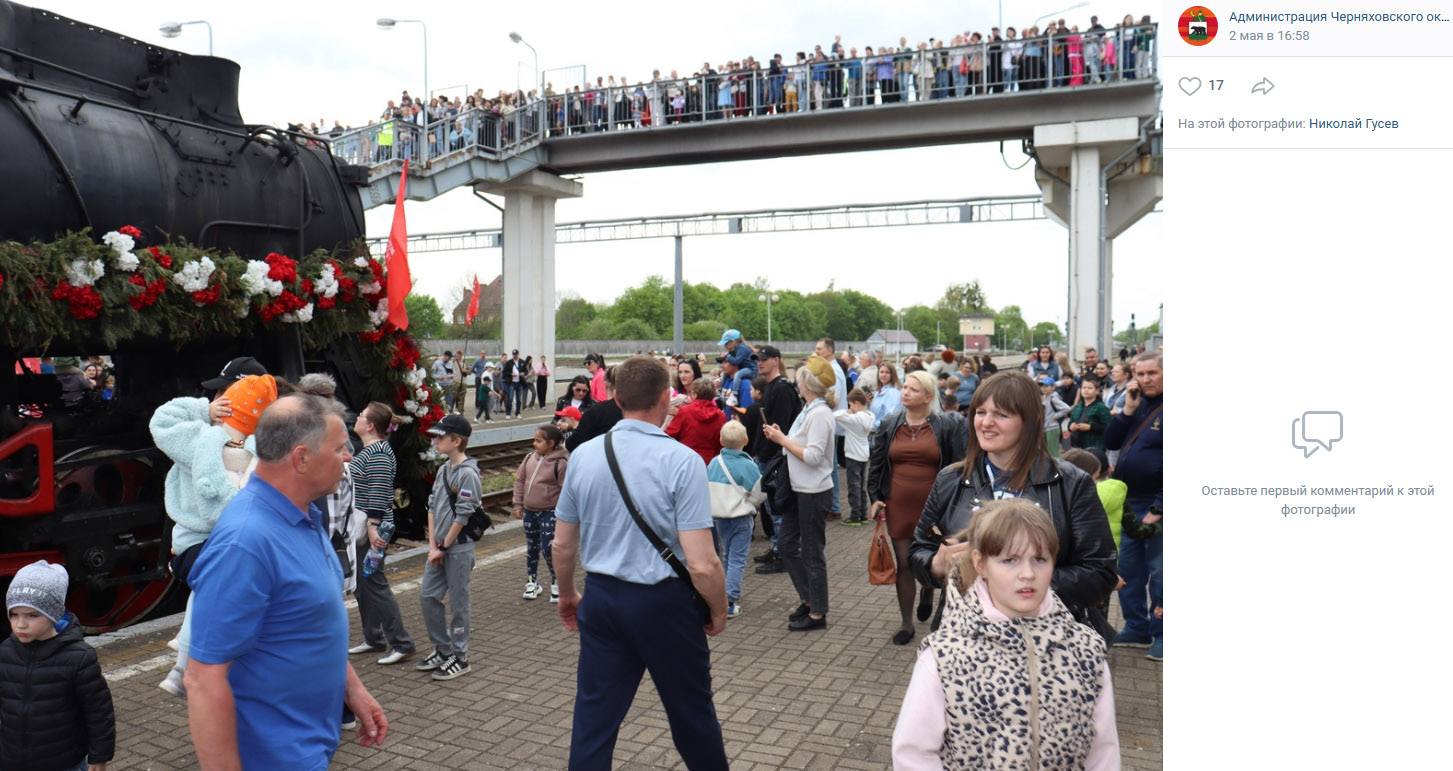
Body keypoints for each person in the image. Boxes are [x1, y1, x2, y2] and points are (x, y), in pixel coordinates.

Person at [186, 394, 387, 769]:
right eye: (340, 448)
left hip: (307, 745)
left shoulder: (302, 515)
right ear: (301, 458)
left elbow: (308, 621)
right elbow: (202, 679)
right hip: (272, 757)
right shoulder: (245, 544)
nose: (348, 458)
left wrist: (353, 690)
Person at [552, 355, 729, 770]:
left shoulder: (584, 455)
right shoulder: (682, 460)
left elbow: (562, 545)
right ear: (667, 398)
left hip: (601, 598)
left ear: (615, 397)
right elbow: (703, 564)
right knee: (691, 716)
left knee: (594, 720)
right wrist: (719, 608)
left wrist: (567, 594)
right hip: (663, 605)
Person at [891, 500, 1119, 769]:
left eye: (1040, 559)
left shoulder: (1086, 651)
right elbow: (913, 754)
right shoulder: (945, 657)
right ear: (981, 564)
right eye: (1009, 560)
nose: (1028, 574)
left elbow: (1103, 751)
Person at [908, 372, 1118, 642]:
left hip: (1045, 643)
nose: (986, 423)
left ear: (1031, 421)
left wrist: (1013, 582)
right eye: (980, 412)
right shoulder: (951, 478)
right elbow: (918, 552)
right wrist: (937, 564)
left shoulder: (1070, 483)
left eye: (1001, 414)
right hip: (964, 639)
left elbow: (1100, 572)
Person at [151, 373, 281, 698]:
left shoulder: (234, 446)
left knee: (229, 586)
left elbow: (163, 420)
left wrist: (202, 413)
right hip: (199, 540)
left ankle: (193, 658)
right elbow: (162, 420)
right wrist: (203, 411)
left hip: (216, 540)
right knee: (223, 578)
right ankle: (190, 660)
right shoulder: (231, 444)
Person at [868, 371, 968, 646]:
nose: (905, 392)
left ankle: (928, 590)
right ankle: (906, 623)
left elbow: (959, 466)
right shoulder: (889, 424)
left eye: (913, 389)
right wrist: (875, 497)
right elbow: (876, 466)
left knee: (931, 555)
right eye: (905, 388)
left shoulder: (945, 425)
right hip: (898, 504)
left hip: (934, 508)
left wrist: (956, 505)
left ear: (927, 396)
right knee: (904, 563)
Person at [1, 560, 115, 771]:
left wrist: (99, 756)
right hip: (12, 760)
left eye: (32, 615)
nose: (20, 624)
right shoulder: (6, 652)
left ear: (54, 614)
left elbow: (98, 711)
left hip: (63, 762)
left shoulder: (78, 658)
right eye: (14, 614)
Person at [761, 355, 837, 631]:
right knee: (788, 544)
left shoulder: (819, 413)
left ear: (806, 383)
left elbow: (814, 456)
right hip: (799, 489)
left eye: (800, 377)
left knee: (812, 552)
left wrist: (782, 440)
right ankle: (809, 599)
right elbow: (801, 446)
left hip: (813, 492)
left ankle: (818, 611)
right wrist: (783, 437)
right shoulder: (810, 410)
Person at [1103, 351, 1164, 661]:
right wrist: (1127, 410)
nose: (1144, 379)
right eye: (1139, 374)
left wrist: (1160, 508)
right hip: (1129, 503)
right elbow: (1111, 442)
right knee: (1128, 569)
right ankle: (1136, 627)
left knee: (1161, 570)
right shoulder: (1138, 406)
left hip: (1157, 505)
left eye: (1151, 373)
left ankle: (1162, 633)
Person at [347, 402, 415, 666]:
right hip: (363, 529)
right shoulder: (372, 450)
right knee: (363, 586)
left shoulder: (377, 454)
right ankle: (373, 638)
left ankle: (401, 643)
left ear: (370, 425)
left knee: (375, 584)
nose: (357, 417)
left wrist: (373, 527)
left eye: (361, 415)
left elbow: (378, 491)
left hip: (370, 530)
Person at [416, 414, 481, 681]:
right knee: (427, 596)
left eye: (440, 437)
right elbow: (432, 506)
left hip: (459, 549)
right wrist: (433, 546)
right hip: (440, 548)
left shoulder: (468, 474)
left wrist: (443, 546)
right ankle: (443, 650)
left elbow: (463, 516)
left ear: (457, 441)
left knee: (459, 603)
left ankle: (460, 656)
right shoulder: (444, 469)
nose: (435, 440)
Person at [751, 347, 803, 573]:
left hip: (776, 458)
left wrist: (768, 455)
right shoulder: (771, 387)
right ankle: (777, 548)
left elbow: (780, 427)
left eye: (763, 359)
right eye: (757, 359)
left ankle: (783, 554)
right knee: (772, 508)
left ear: (776, 361)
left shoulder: (781, 389)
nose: (759, 363)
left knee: (778, 508)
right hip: (768, 455)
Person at [707, 420, 765, 620]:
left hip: (720, 516)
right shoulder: (749, 465)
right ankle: (730, 601)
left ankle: (722, 593)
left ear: (721, 440)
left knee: (726, 555)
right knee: (738, 558)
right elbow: (758, 493)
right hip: (741, 517)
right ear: (746, 440)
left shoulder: (714, 463)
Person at [513, 424, 569, 604]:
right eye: (534, 440)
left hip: (549, 512)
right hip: (530, 511)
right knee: (532, 547)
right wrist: (517, 504)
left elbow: (565, 490)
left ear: (551, 443)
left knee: (548, 548)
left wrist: (561, 512)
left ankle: (556, 580)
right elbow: (520, 480)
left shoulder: (560, 463)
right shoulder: (529, 458)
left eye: (538, 441)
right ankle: (532, 580)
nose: (534, 444)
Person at [814, 339, 849, 521]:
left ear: (829, 351)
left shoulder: (832, 371)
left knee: (830, 465)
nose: (816, 352)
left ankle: (834, 506)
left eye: (819, 349)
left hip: (831, 422)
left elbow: (830, 398)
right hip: (833, 421)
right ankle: (833, 505)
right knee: (831, 464)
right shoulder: (834, 369)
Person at [833, 388, 875, 526]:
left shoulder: (854, 419)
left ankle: (855, 515)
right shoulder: (870, 415)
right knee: (861, 485)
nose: (849, 407)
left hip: (852, 455)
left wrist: (847, 412)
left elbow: (836, 415)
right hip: (864, 453)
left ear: (856, 403)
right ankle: (863, 513)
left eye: (850, 404)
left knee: (853, 486)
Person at [667, 378, 727, 465]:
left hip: (686, 460)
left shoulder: (685, 411)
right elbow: (722, 443)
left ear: (694, 394)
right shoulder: (721, 416)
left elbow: (670, 434)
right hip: (711, 462)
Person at [567, 366, 624, 453]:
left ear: (606, 383)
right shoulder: (638, 410)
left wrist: (574, 426)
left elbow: (572, 444)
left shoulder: (595, 412)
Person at [1067, 377, 1112, 450]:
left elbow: (1109, 428)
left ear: (1097, 391)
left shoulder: (1101, 407)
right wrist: (1071, 427)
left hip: (1095, 447)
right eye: (1084, 388)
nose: (1086, 390)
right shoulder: (1078, 407)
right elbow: (1070, 423)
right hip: (1077, 446)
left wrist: (1091, 427)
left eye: (1090, 388)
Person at [1038, 375, 1072, 456]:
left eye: (1046, 386)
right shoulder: (1046, 397)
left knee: (1053, 453)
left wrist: (1055, 416)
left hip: (1052, 428)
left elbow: (1066, 408)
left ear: (1053, 387)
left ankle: (1057, 468)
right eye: (1042, 386)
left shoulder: (1054, 398)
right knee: (1047, 452)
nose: (1043, 388)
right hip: (1046, 427)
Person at [869, 362, 903, 429]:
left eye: (887, 372)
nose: (884, 375)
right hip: (877, 431)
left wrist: (872, 427)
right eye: (881, 372)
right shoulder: (878, 392)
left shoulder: (893, 392)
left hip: (884, 432)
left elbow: (891, 417)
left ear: (892, 375)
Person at [501, 349, 526, 419]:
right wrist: (510, 374)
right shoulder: (509, 362)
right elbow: (504, 372)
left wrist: (523, 373)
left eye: (516, 354)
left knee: (519, 399)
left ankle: (518, 413)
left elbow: (526, 370)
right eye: (514, 355)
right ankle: (508, 413)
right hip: (511, 382)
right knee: (510, 398)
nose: (515, 356)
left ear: (518, 354)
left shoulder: (522, 362)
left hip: (519, 382)